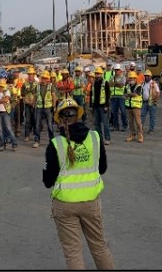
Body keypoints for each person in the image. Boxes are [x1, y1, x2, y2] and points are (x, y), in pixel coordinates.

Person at [43, 98, 114, 270]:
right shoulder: (96, 137)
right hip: (91, 202)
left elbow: (48, 181)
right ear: (79, 116)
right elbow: (102, 168)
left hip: (65, 204)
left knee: (73, 252)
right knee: (99, 247)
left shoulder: (56, 144)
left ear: (60, 120)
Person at [0, 78, 18, 151]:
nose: (1, 87)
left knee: (8, 128)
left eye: (2, 86)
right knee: (0, 129)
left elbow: (6, 100)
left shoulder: (7, 92)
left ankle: (14, 144)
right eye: (0, 86)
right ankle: (2, 145)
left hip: (5, 112)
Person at [35, 72, 58, 149]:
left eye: (45, 78)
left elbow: (54, 96)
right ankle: (37, 141)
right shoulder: (37, 86)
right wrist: (33, 104)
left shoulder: (50, 86)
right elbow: (35, 95)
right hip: (39, 107)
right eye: (43, 78)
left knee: (50, 125)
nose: (44, 79)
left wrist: (54, 106)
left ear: (47, 79)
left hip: (48, 108)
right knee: (37, 125)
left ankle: (51, 141)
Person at [89, 66, 111, 145]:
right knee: (97, 124)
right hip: (95, 106)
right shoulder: (93, 84)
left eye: (98, 74)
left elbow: (108, 95)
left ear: (101, 74)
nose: (97, 75)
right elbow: (91, 95)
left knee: (105, 124)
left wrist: (106, 106)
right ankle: (100, 139)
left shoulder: (105, 83)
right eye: (96, 74)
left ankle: (107, 138)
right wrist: (91, 106)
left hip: (103, 106)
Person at [123, 71, 143, 143]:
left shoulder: (139, 86)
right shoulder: (127, 86)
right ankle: (132, 134)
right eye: (130, 78)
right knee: (130, 122)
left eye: (132, 78)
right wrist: (128, 95)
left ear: (135, 78)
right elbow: (124, 94)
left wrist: (128, 94)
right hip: (128, 106)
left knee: (138, 122)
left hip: (136, 107)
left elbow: (136, 94)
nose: (131, 79)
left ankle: (140, 135)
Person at [140, 69, 160, 133]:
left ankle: (151, 129)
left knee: (152, 117)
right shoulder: (143, 84)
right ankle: (140, 128)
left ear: (150, 77)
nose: (146, 77)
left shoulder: (154, 84)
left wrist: (155, 100)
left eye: (148, 76)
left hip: (152, 102)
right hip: (144, 102)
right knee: (142, 116)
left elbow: (158, 93)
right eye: (145, 76)